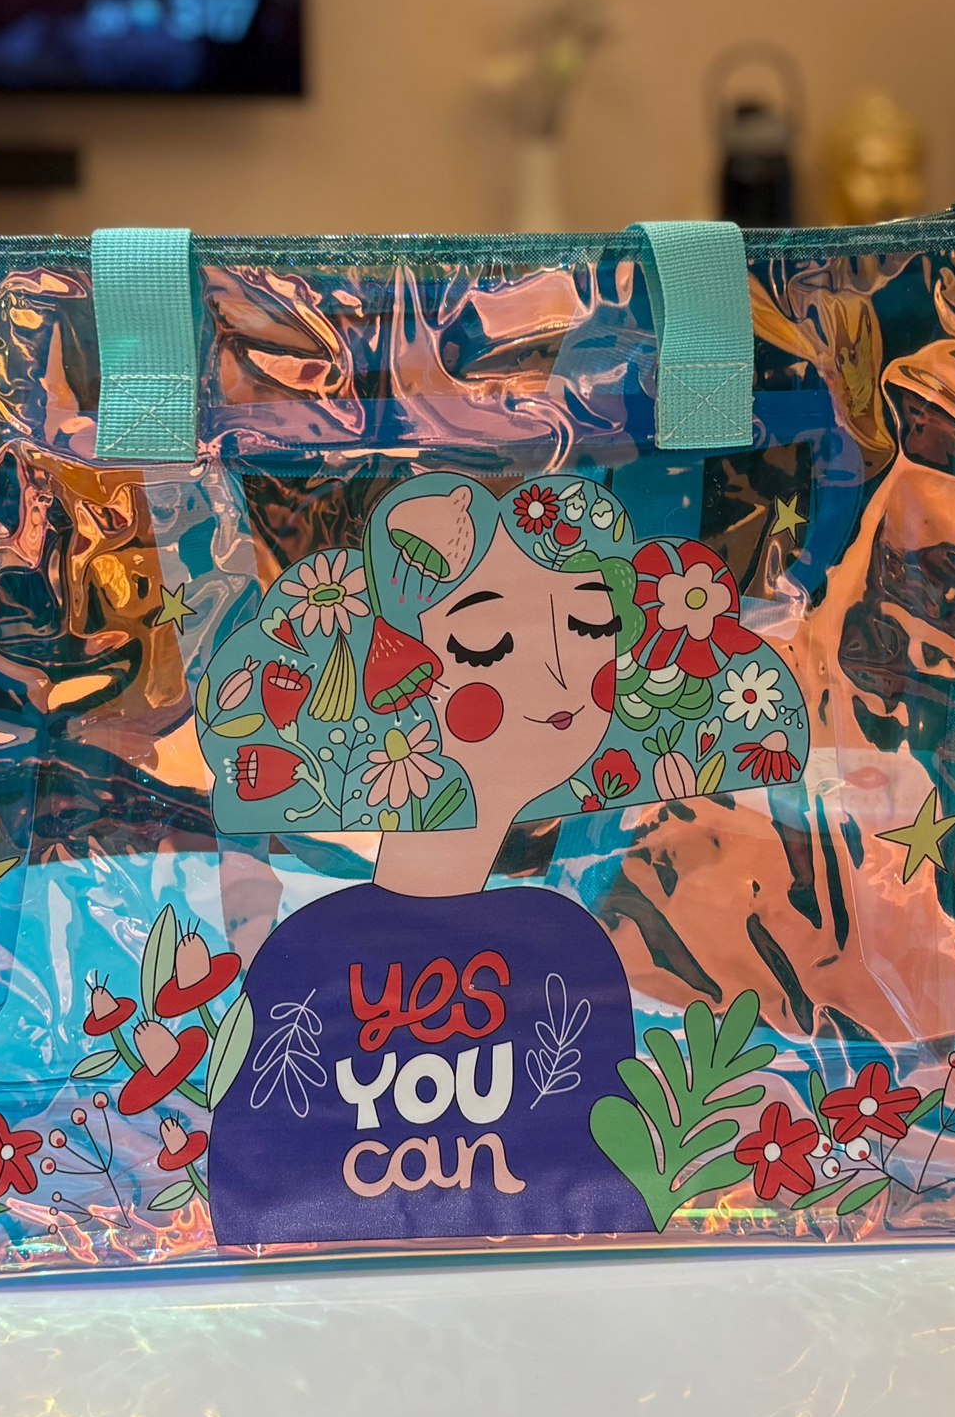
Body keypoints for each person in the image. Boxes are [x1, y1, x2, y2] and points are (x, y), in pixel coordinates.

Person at [192, 470, 803, 1245]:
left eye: (588, 628)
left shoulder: (564, 943)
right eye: (486, 641)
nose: (559, 679)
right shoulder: (310, 955)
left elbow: (605, 1194)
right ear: (394, 681)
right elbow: (254, 1198)